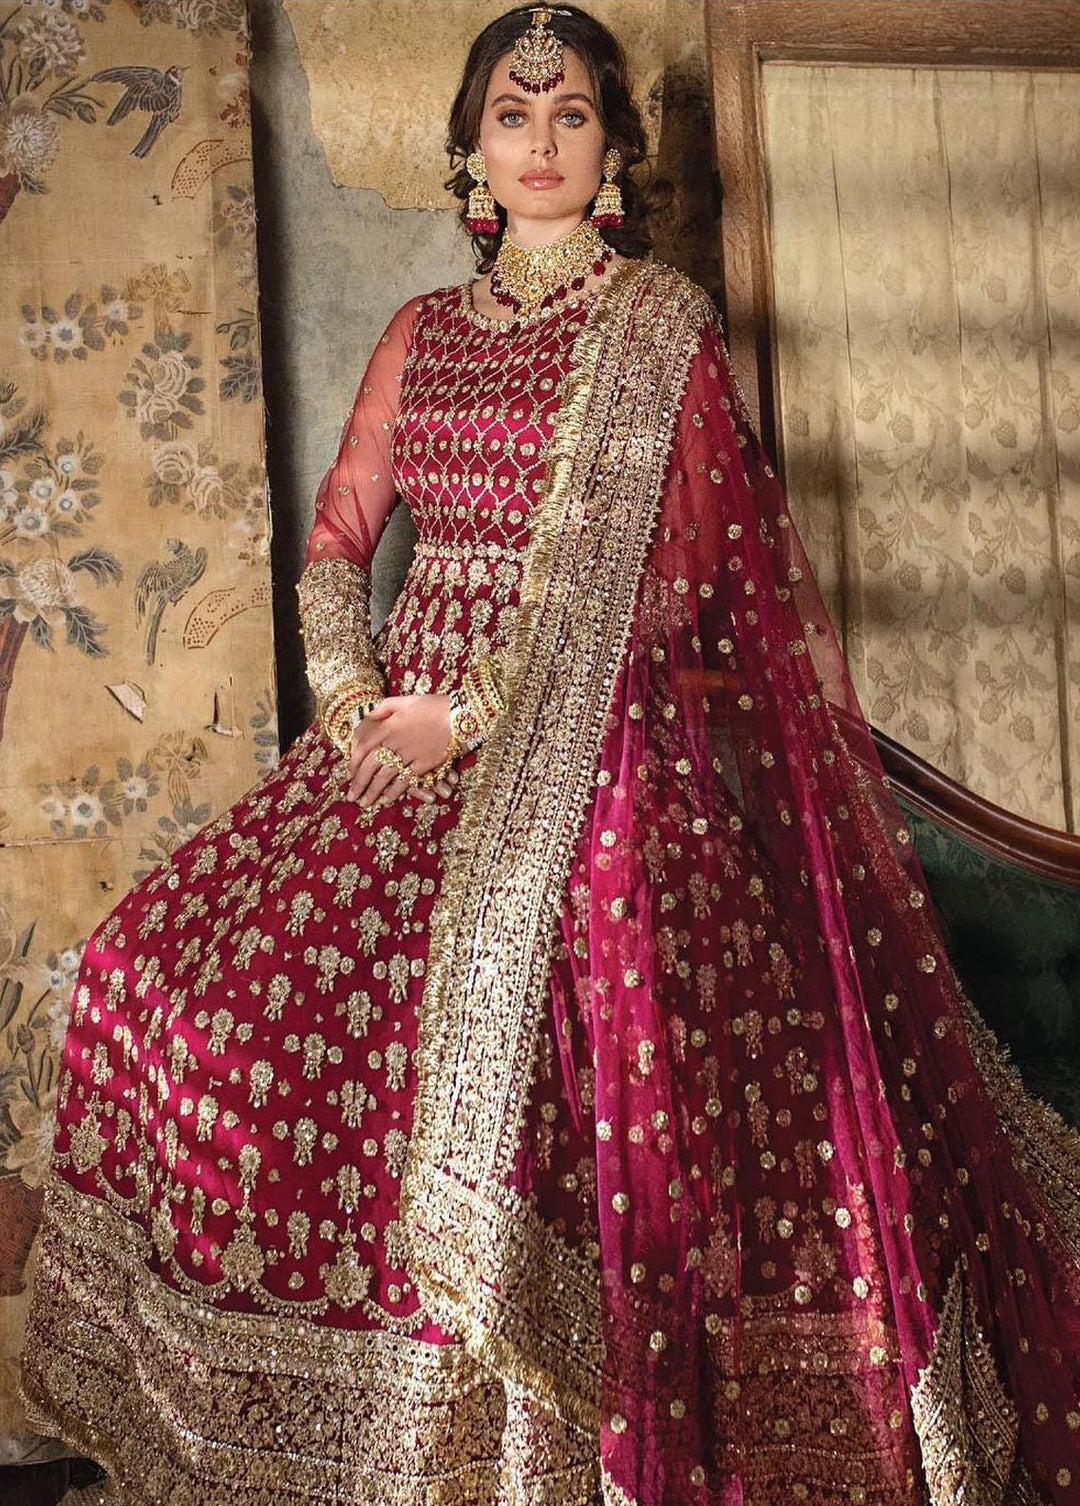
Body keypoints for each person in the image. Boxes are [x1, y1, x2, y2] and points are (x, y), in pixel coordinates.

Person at [19, 5, 1080, 1504]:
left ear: (614, 150)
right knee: (160, 979)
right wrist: (356, 702)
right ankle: (324, 1438)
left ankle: (524, 1449)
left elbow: (678, 589)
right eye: (511, 116)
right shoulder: (422, 334)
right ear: (469, 146)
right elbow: (338, 543)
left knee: (546, 1058)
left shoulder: (656, 330)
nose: (539, 143)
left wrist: (468, 717)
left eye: (570, 114)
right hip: (387, 743)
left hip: (597, 754)